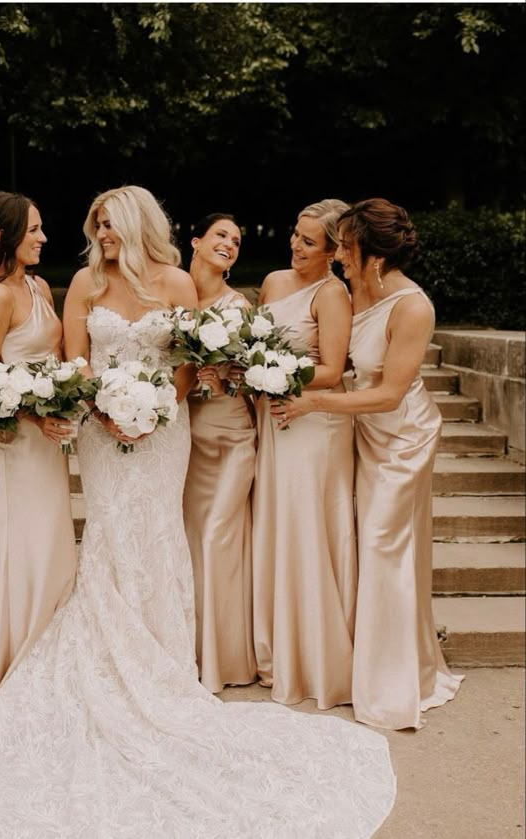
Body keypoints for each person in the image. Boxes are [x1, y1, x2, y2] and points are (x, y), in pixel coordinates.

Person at [0, 187, 395, 838]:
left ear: (137, 224)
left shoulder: (174, 280)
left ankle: (164, 661)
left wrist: (159, 406)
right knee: (111, 533)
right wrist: (104, 409)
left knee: (159, 535)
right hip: (102, 434)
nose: (101, 233)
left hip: (165, 434)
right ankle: (103, 657)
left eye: (109, 224)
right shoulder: (81, 280)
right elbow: (74, 360)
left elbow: (190, 364)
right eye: (96, 224)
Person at [277, 197, 463, 730]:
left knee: (384, 541)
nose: (338, 257)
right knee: (370, 543)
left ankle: (394, 681)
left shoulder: (413, 308)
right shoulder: (356, 289)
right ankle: (375, 662)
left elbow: (388, 395)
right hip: (362, 430)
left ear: (373, 257)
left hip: (402, 437)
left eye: (347, 249)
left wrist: (312, 401)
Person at [0, 191, 77, 700]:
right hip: (19, 443)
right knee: (26, 541)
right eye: (33, 229)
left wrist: (65, 400)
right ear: (2, 236)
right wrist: (35, 416)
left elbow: (53, 359)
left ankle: (58, 643)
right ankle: (23, 654)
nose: (43, 237)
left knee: (52, 538)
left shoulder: (36, 287)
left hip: (48, 442)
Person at [252, 199, 357, 709]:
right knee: (277, 520)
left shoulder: (333, 294)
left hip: (313, 422)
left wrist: (271, 374)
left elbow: (333, 369)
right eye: (295, 234)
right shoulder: (272, 282)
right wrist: (250, 367)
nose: (295, 245)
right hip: (273, 419)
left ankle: (315, 654)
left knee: (306, 524)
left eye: (309, 241)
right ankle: (277, 644)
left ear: (335, 252)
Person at [183, 213, 257, 693]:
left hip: (232, 435)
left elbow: (257, 375)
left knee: (217, 539)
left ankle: (224, 661)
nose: (229, 243)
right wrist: (191, 380)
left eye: (235, 239)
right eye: (220, 235)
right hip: (184, 439)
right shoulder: (170, 295)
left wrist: (229, 376)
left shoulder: (240, 306)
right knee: (189, 544)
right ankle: (186, 652)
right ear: (195, 241)